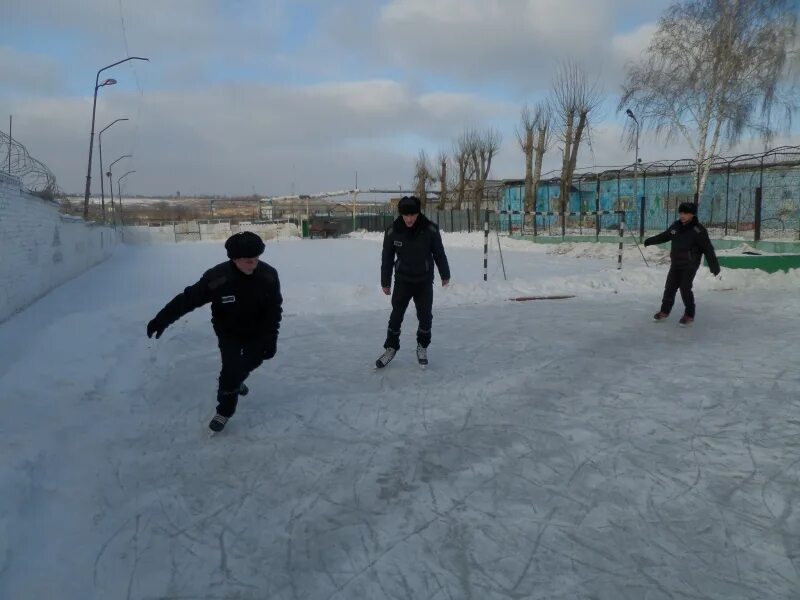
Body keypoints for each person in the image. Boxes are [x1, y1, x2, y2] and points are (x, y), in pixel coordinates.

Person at [146, 231, 282, 432]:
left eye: (256, 260)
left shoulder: (268, 276)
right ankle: (225, 411)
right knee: (230, 371)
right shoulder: (218, 278)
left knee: (253, 360)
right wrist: (162, 319)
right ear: (234, 259)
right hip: (229, 332)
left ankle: (237, 381)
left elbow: (274, 309)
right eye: (248, 261)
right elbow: (188, 299)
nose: (253, 265)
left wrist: (271, 337)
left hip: (258, 331)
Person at [376, 195, 450, 368]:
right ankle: (391, 348)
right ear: (401, 214)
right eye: (406, 215)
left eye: (413, 215)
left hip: (424, 281)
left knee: (425, 317)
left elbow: (439, 253)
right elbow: (386, 258)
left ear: (418, 213)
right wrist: (385, 282)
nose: (409, 219)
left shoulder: (430, 229)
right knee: (396, 316)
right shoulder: (393, 231)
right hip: (403, 281)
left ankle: (422, 346)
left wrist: (444, 274)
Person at [644, 201, 720, 326]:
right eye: (681, 212)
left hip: (690, 264)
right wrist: (650, 241)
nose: (682, 215)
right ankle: (664, 311)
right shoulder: (676, 226)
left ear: (692, 215)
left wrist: (714, 266)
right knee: (669, 287)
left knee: (685, 288)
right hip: (676, 263)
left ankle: (689, 314)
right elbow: (664, 236)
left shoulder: (698, 230)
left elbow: (708, 249)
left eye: (686, 213)